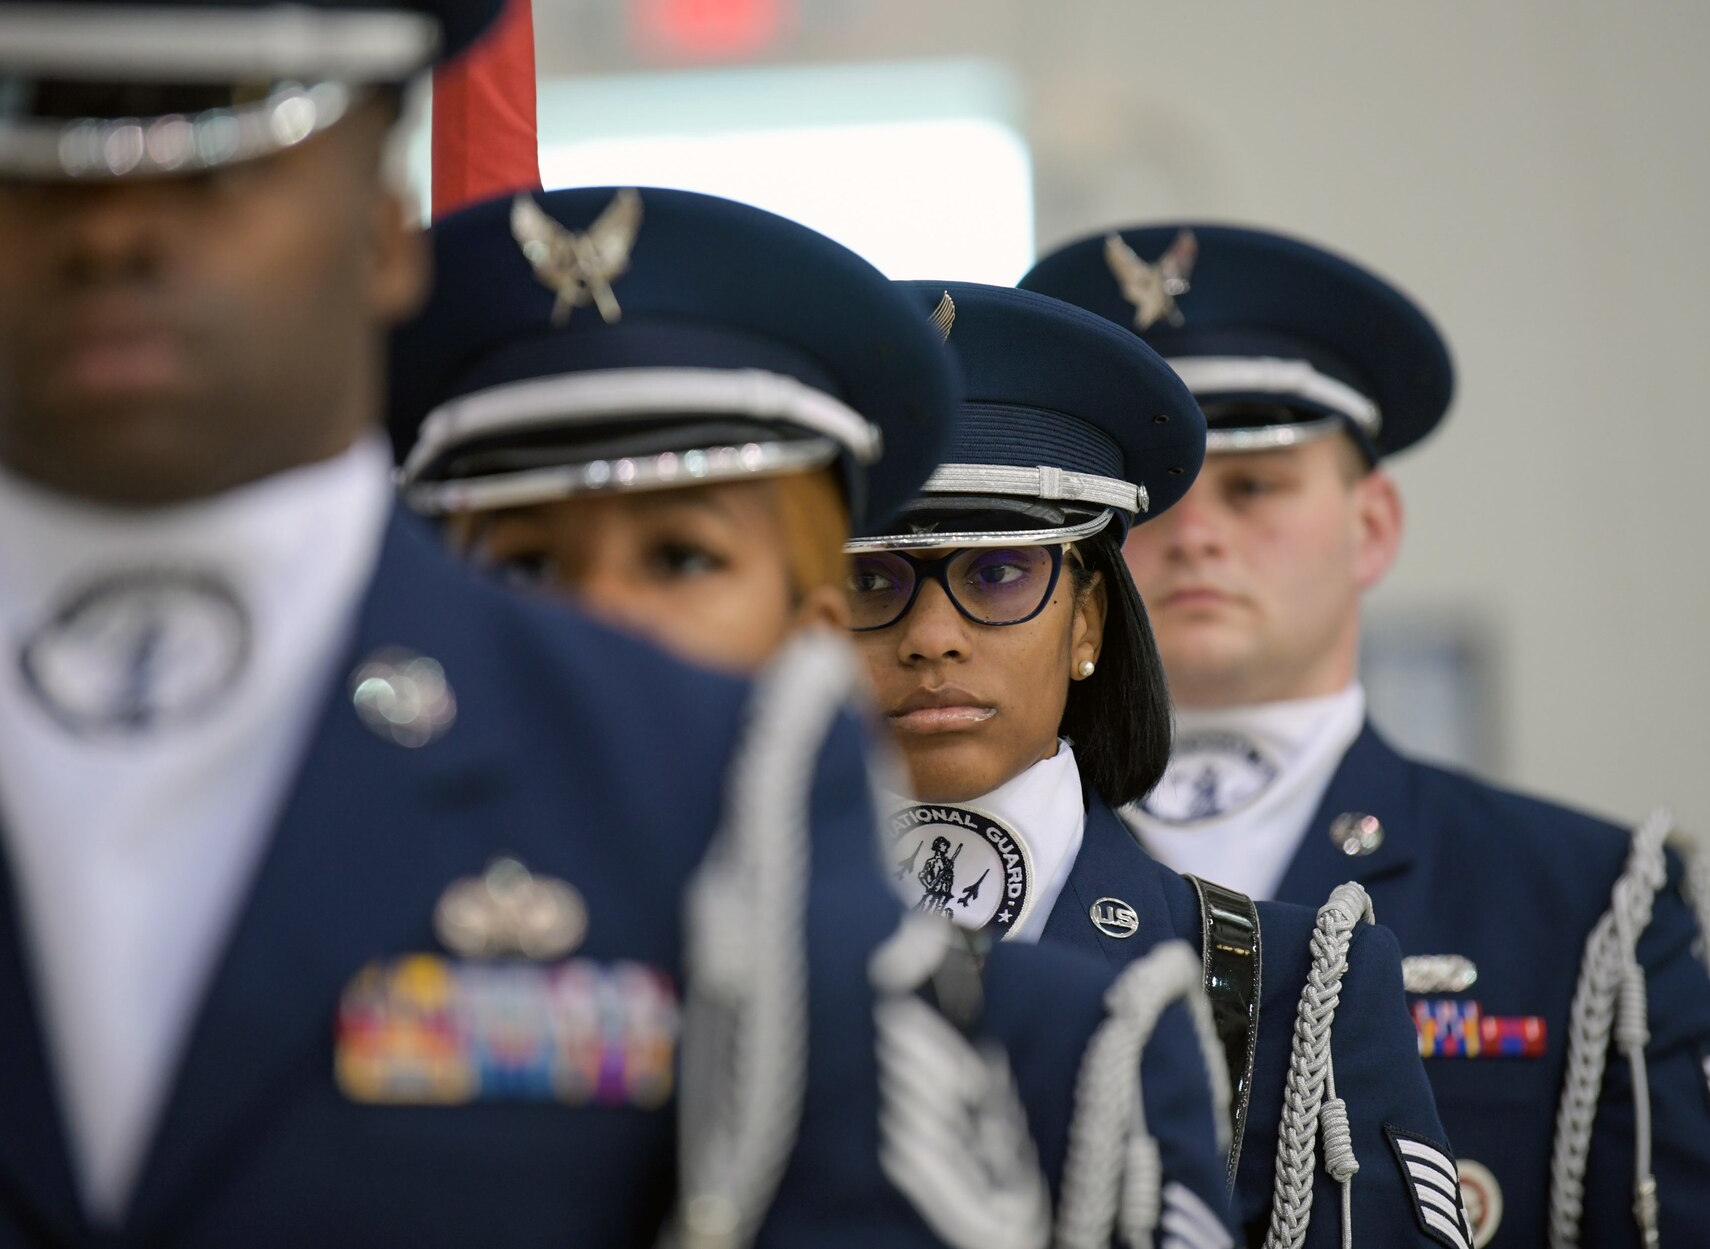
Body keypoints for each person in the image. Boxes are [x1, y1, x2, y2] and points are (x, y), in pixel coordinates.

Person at [0, 0, 1169, 1243]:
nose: (112, 218)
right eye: (25, 126)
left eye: (219, 134)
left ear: (379, 224)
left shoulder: (704, 786)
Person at [386, 185, 1240, 1247]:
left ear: (809, 624)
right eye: (523, 563)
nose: (599, 617)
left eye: (680, 556)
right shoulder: (325, 973)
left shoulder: (1065, 1044)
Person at [1021, 222, 1710, 1248]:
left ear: (1374, 525)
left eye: (1255, 485)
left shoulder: (1575, 902)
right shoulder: (980, 872)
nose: (1197, 533)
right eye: (1158, 496)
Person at [844, 280, 1460, 1248]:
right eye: (867, 578)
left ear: (1087, 621)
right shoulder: (697, 946)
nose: (931, 637)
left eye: (997, 572)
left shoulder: (1290, 989)